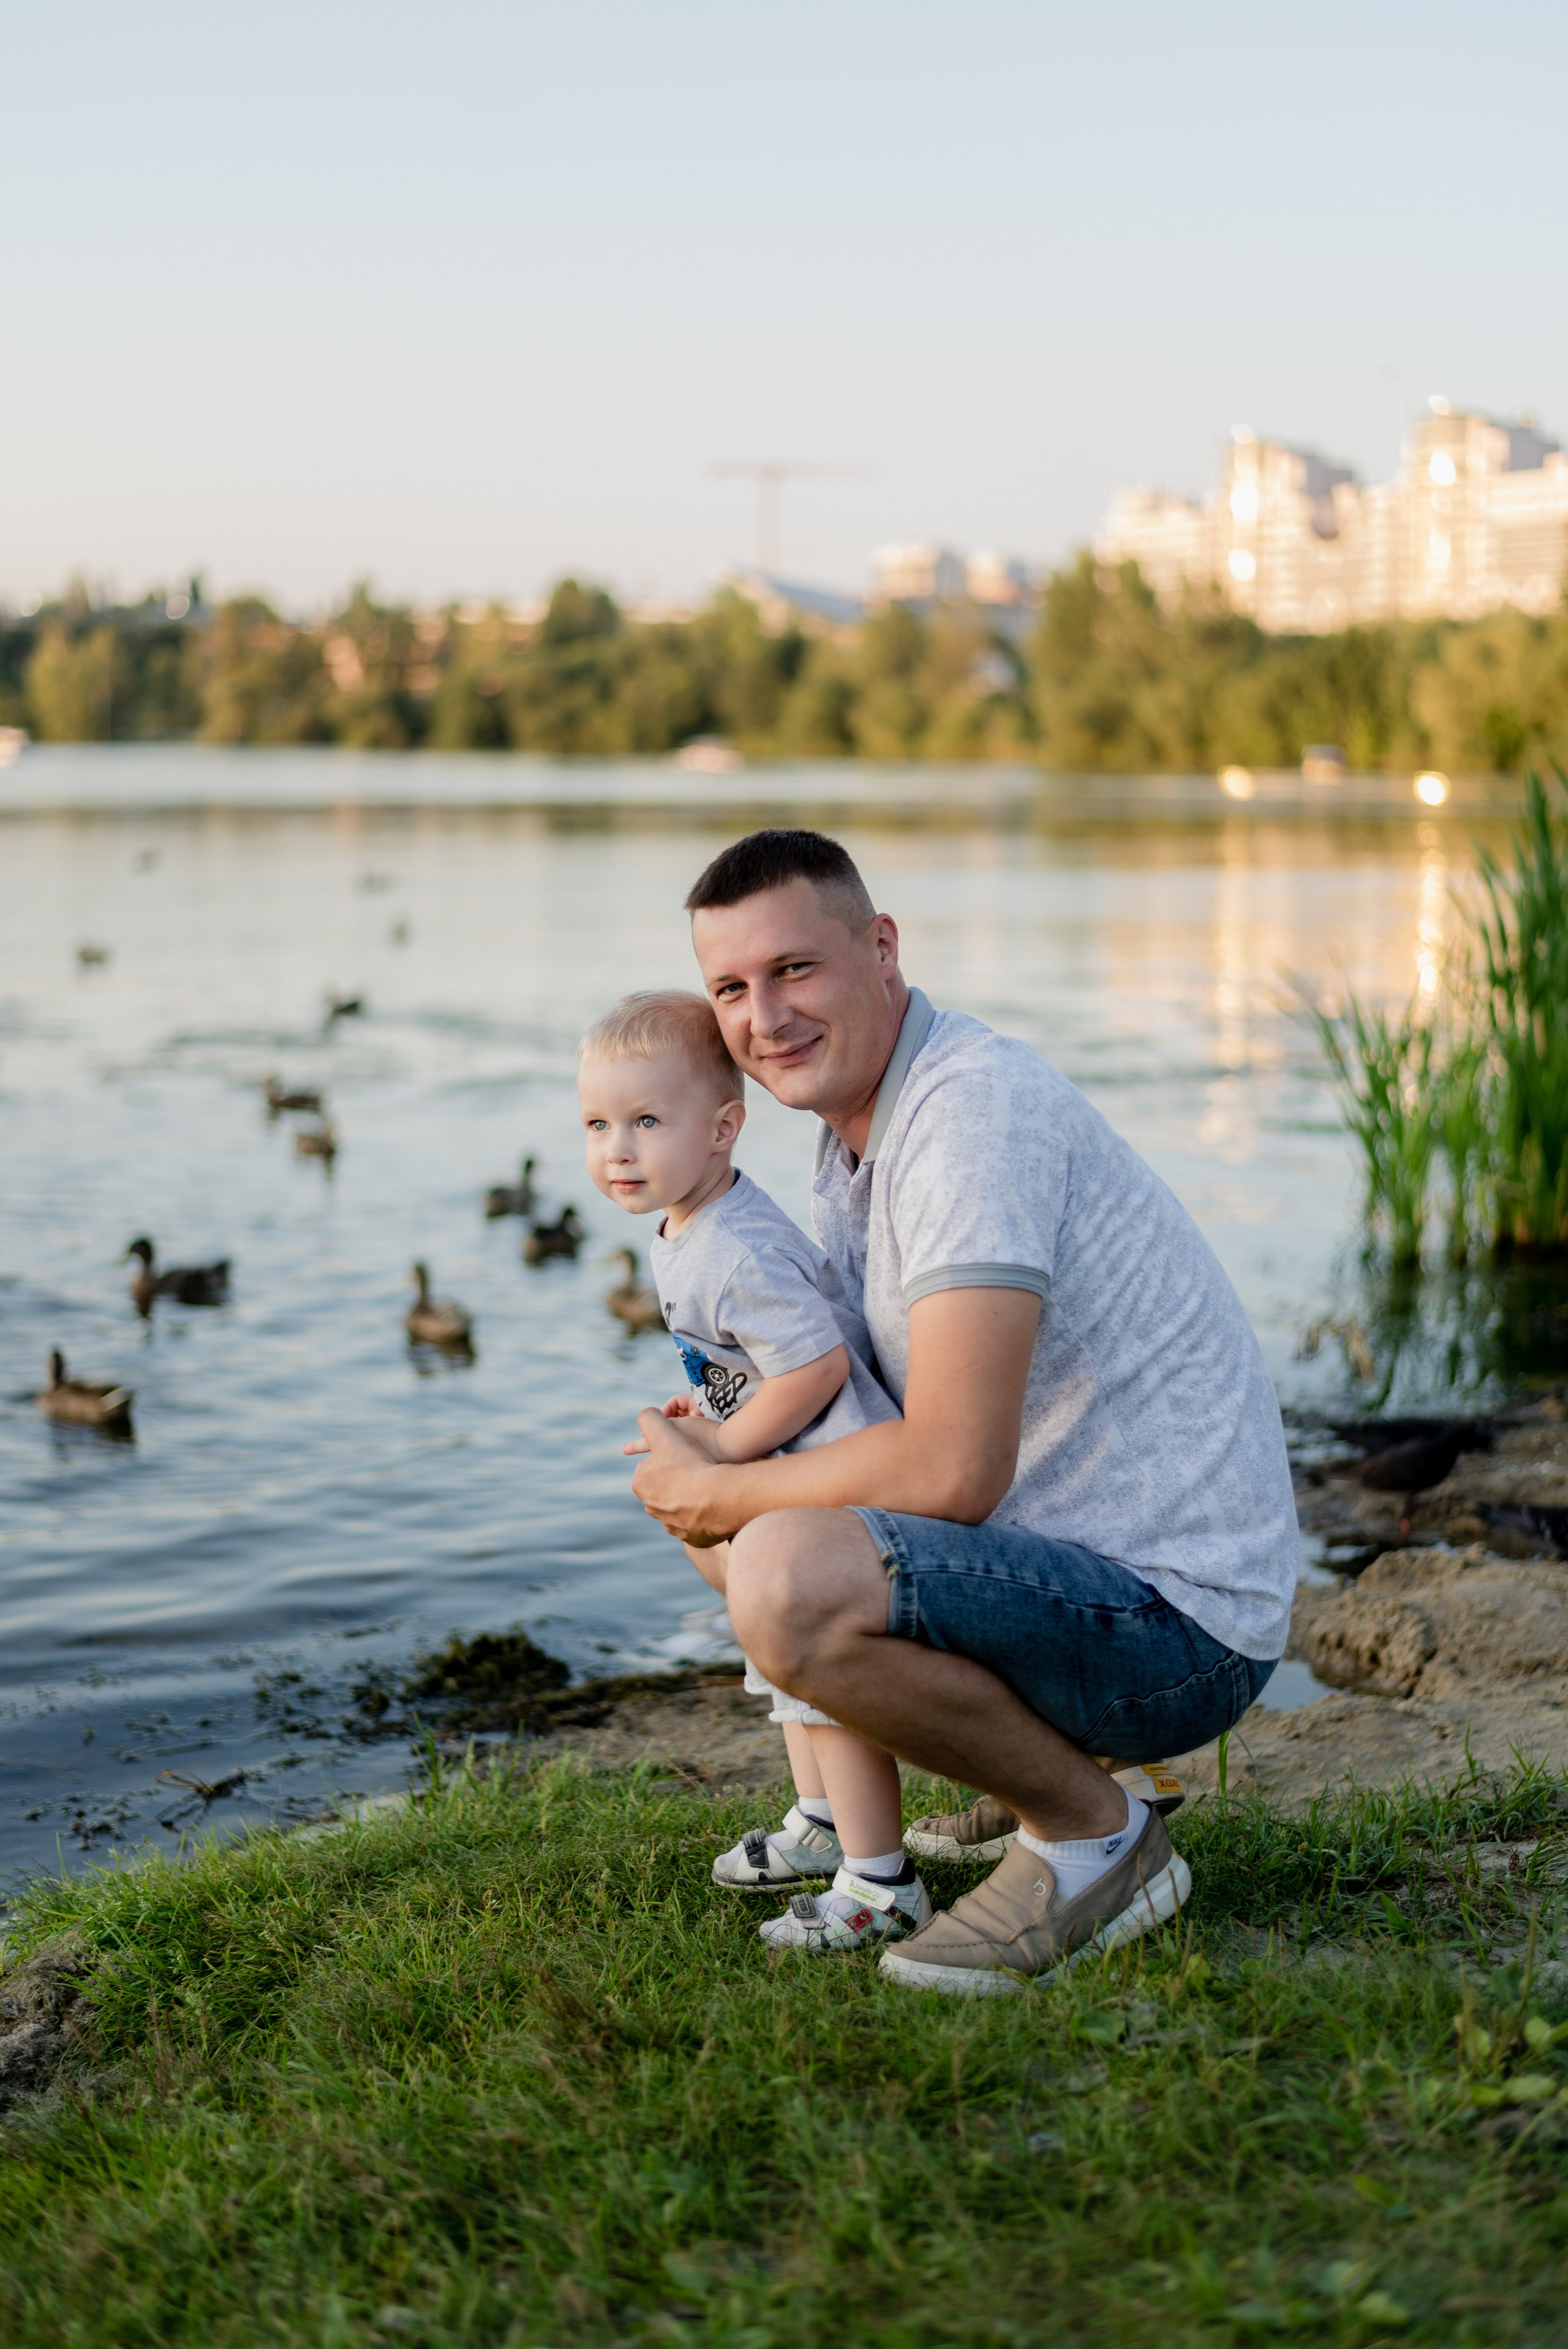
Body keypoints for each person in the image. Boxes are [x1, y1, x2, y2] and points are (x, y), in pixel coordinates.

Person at [628, 829, 1299, 1996]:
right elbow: (855, 1396)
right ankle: (860, 1815)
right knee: (736, 1525)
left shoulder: (966, 1119)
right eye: (731, 988)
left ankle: (1095, 1836)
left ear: (880, 949)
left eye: (795, 970)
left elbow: (951, 1470)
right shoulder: (858, 1137)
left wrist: (729, 1487)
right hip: (1076, 1569)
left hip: (1178, 1625)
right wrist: (724, 1445)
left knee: (779, 1567)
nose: (764, 1017)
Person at [578, 987, 933, 1950]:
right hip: (793, 1470)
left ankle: (882, 1881)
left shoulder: (733, 1245)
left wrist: (728, 1457)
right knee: (771, 1652)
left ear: (724, 1127)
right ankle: (821, 1824)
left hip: (839, 1493)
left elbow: (816, 1366)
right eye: (599, 1124)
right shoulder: (688, 1223)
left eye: (648, 1122)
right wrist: (718, 1404)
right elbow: (763, 1360)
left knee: (816, 1674)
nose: (619, 1148)